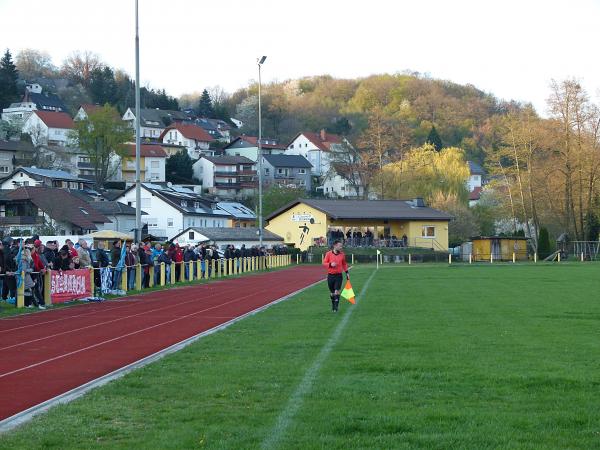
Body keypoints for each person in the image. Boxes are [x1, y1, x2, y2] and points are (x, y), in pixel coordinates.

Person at [322, 240, 349, 313]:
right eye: (340, 246)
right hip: (330, 276)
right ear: (335, 246)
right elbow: (324, 263)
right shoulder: (328, 254)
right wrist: (330, 264)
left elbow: (344, 264)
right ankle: (333, 305)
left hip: (339, 276)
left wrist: (347, 272)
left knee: (337, 291)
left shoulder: (342, 254)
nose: (341, 247)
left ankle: (336, 307)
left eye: (341, 246)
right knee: (332, 293)